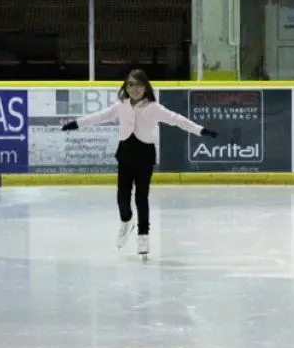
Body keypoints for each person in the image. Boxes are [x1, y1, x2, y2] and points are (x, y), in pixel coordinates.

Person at [62, 69, 218, 256]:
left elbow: (177, 120)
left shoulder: (154, 108)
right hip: (125, 153)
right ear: (125, 87)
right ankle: (126, 221)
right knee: (122, 196)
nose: (134, 88)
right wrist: (76, 124)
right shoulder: (121, 105)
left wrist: (201, 130)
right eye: (130, 84)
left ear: (145, 87)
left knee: (141, 197)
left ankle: (143, 235)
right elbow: (100, 116)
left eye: (138, 84)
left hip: (145, 155)